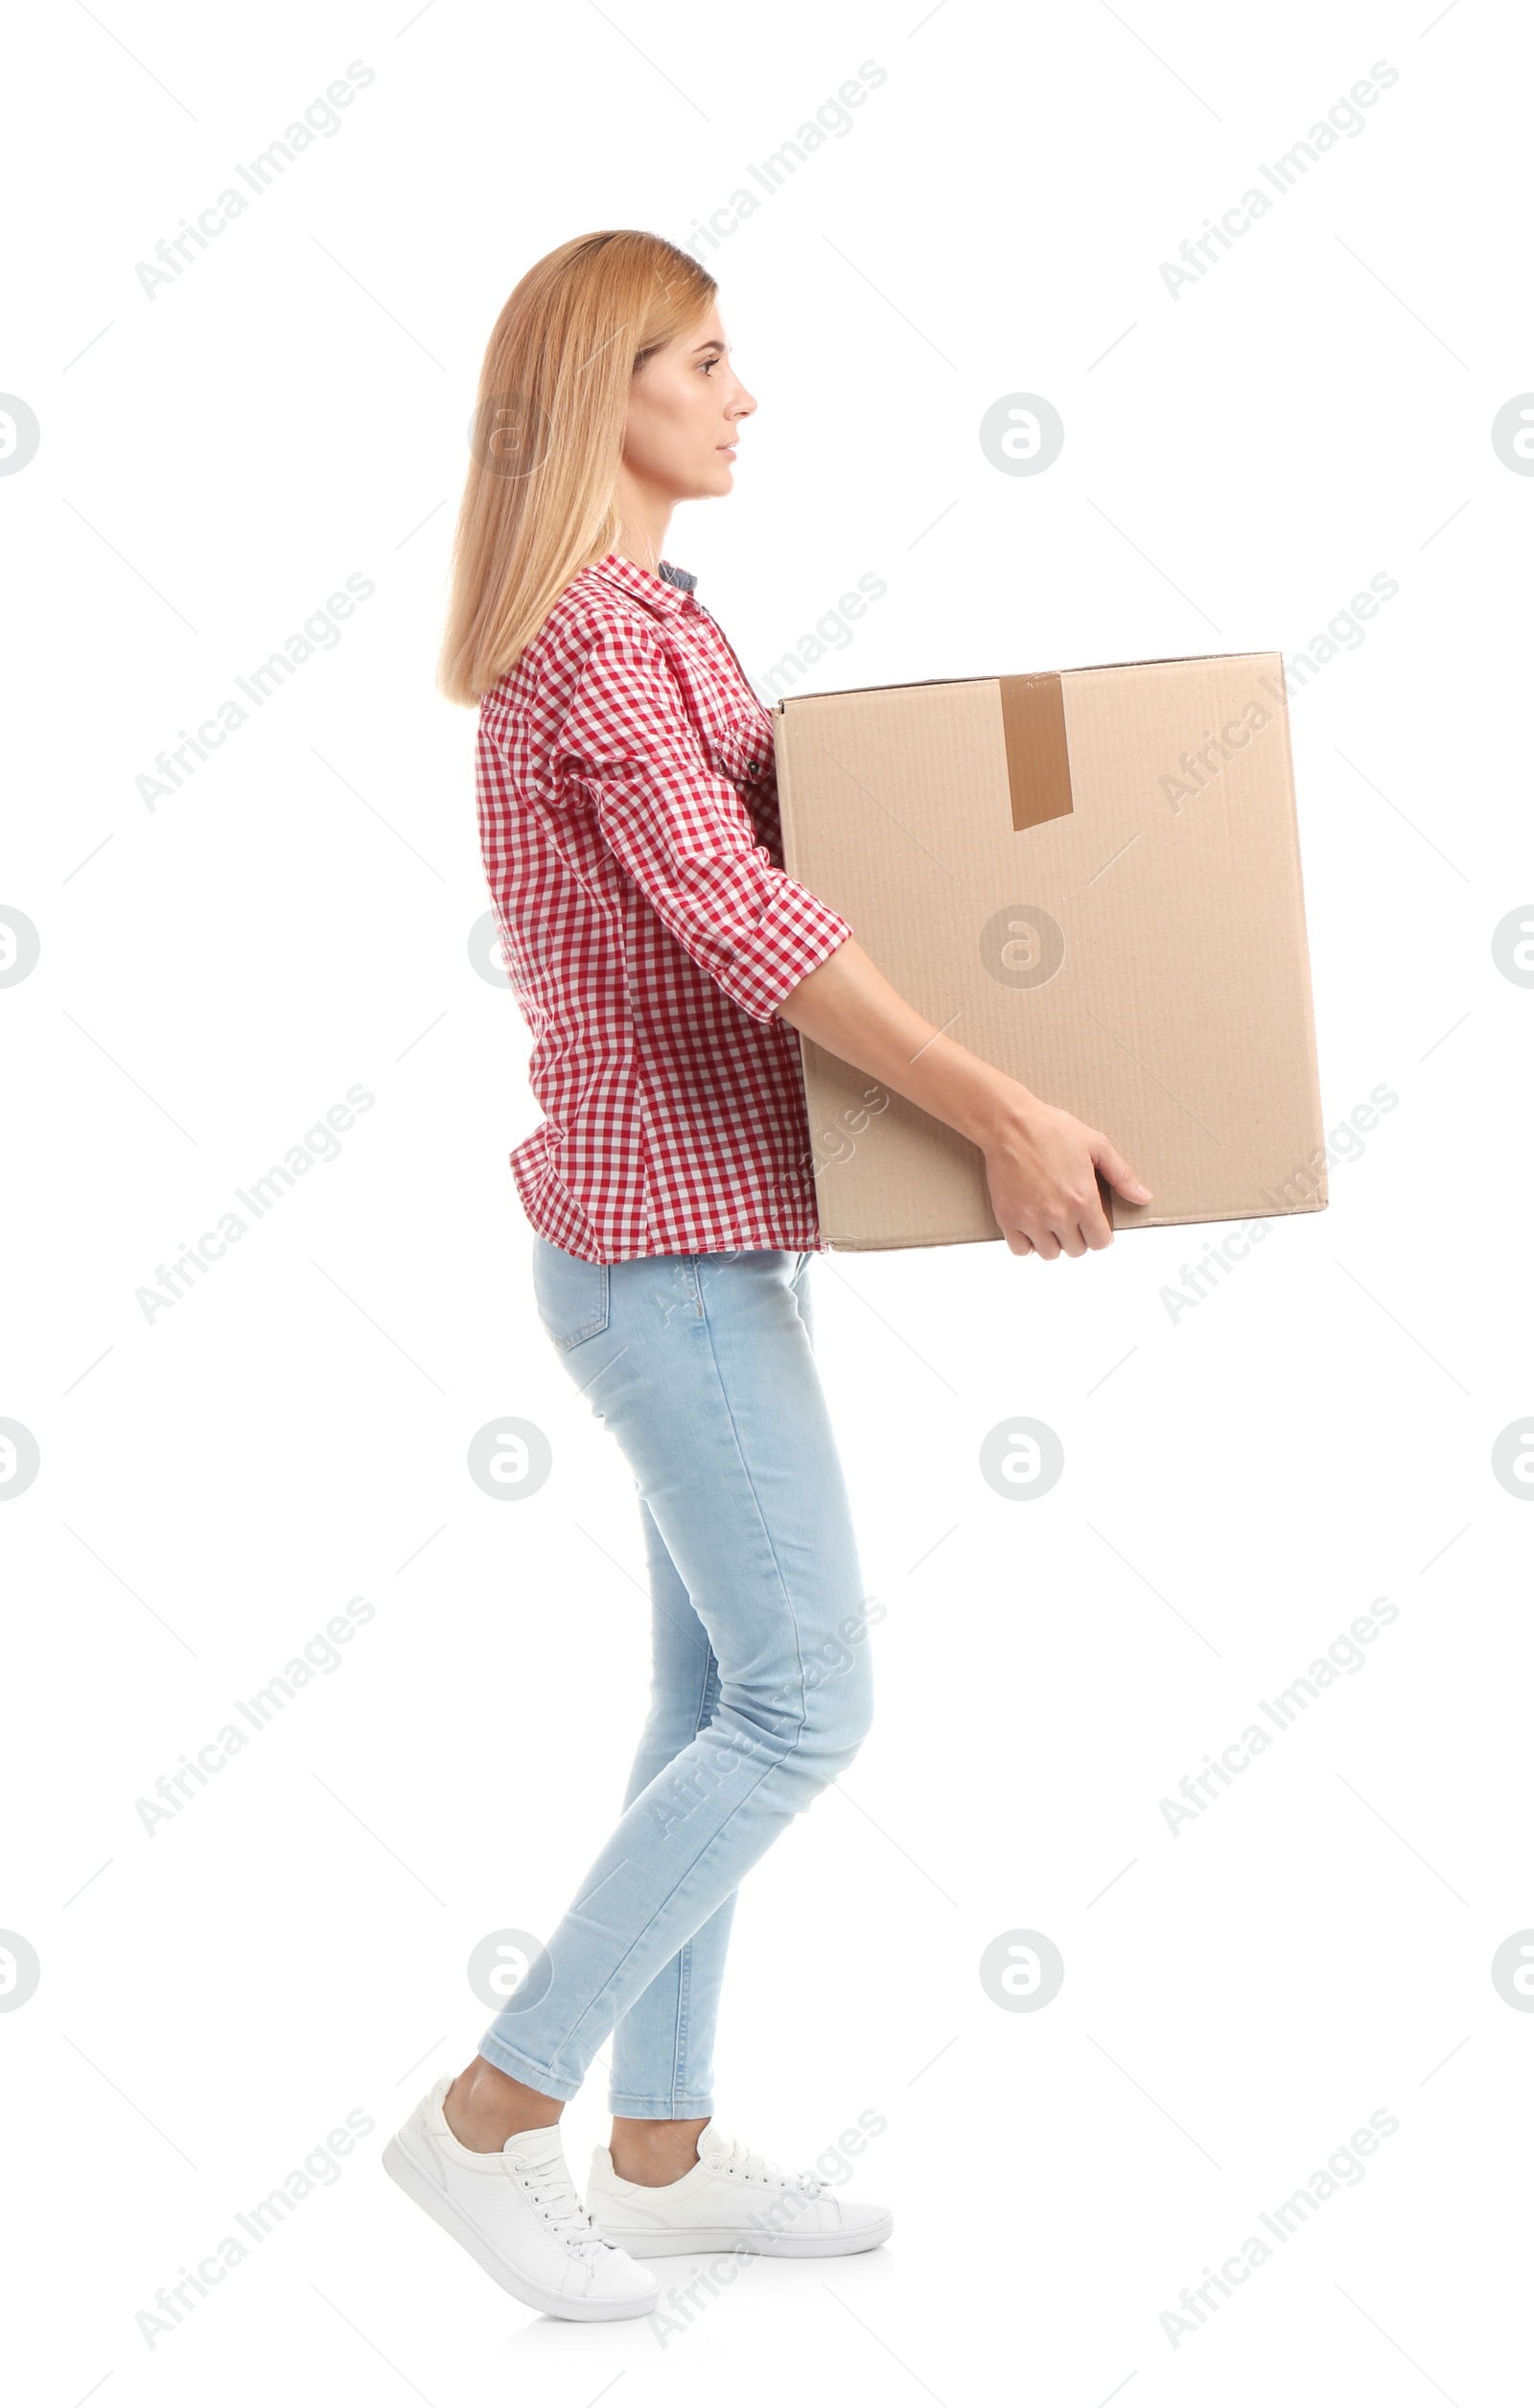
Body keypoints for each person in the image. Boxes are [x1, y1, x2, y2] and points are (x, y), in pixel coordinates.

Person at [383, 228, 1150, 2324]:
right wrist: (996, 1102)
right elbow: (740, 915)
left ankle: (659, 2142)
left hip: (713, 1230)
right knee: (807, 1700)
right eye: (704, 362)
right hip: (660, 1261)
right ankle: (481, 2117)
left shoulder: (669, 625)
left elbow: (809, 862)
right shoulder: (592, 649)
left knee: (712, 1693)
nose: (744, 395)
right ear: (600, 397)